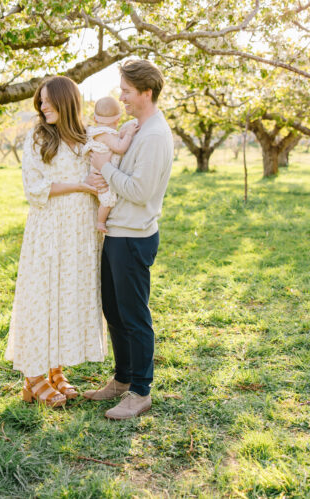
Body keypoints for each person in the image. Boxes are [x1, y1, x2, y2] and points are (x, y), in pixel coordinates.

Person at [4, 75, 106, 407]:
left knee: (66, 296)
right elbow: (36, 188)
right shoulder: (37, 138)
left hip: (79, 234)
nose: (42, 106)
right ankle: (33, 377)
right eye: (40, 101)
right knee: (42, 295)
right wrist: (82, 184)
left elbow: (111, 156)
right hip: (48, 229)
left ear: (66, 101)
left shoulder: (87, 136)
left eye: (48, 100)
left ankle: (55, 368)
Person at [84, 59, 174, 420]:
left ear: (145, 92)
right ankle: (122, 380)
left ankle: (140, 392)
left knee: (134, 317)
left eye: (126, 91)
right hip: (118, 232)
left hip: (134, 236)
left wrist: (103, 168)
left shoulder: (154, 135)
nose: (120, 97)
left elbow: (139, 190)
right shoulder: (137, 127)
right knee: (114, 310)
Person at [85, 96, 139, 233]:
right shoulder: (106, 134)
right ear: (117, 120)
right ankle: (100, 222)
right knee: (107, 200)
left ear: (95, 119)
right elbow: (120, 148)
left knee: (105, 198)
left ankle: (100, 220)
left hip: (100, 171)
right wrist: (129, 135)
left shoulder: (99, 132)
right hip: (101, 174)